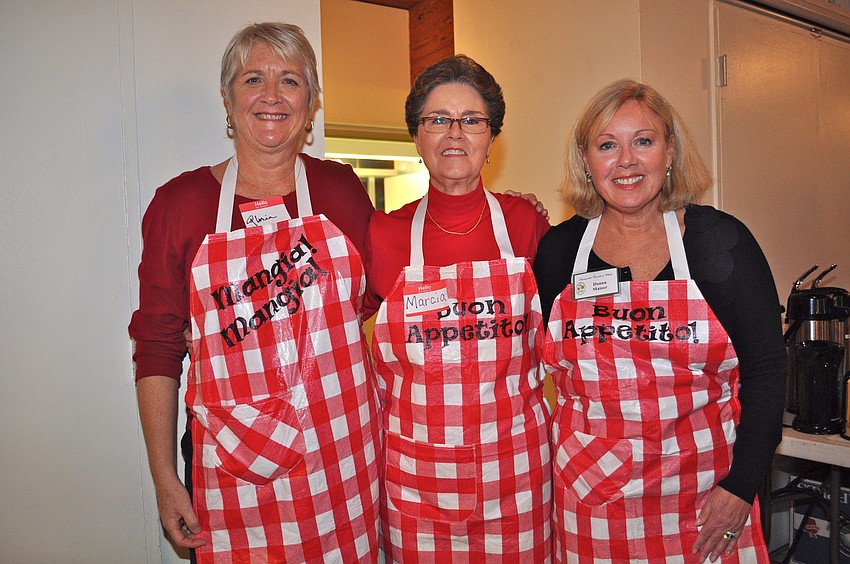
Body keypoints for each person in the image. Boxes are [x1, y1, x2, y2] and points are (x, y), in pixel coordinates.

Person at [128, 22, 380, 562]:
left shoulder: (341, 189)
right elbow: (157, 342)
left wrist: (479, 205)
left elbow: (385, 284)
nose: (271, 96)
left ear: (310, 103)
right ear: (227, 97)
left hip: (343, 452)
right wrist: (165, 478)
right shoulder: (180, 203)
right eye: (252, 79)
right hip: (228, 459)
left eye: (290, 80)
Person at [534, 79, 785, 563]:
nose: (625, 161)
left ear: (669, 152)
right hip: (591, 502)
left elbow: (768, 373)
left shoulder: (720, 242)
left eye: (643, 142)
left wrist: (741, 487)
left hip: (707, 501)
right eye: (607, 145)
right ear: (586, 161)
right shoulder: (559, 251)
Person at [365, 55, 552, 562]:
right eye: (437, 119)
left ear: (492, 136)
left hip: (515, 471)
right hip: (416, 478)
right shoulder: (383, 234)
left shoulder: (527, 226)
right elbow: (327, 329)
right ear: (417, 135)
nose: (455, 133)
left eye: (471, 120)